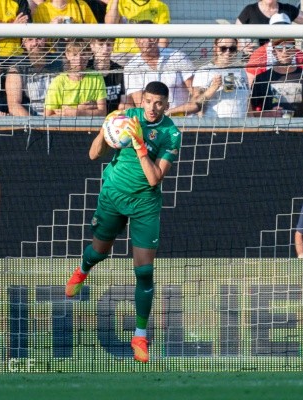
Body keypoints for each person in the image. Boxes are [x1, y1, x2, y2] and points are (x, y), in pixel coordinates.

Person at [65, 81, 181, 363]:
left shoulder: (171, 133)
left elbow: (155, 178)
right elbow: (94, 155)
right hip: (113, 195)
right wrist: (105, 130)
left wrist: (140, 143)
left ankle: (140, 335)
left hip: (145, 203)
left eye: (159, 103)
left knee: (144, 272)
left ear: (166, 105)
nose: (152, 108)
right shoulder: (127, 118)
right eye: (148, 101)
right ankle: (83, 269)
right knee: (99, 252)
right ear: (141, 100)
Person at [124, 30, 195, 116]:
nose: (147, 41)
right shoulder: (131, 66)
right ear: (136, 41)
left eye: (150, 36)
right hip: (152, 121)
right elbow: (140, 104)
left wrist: (173, 112)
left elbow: (195, 93)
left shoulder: (178, 56)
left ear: (157, 38)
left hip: (184, 119)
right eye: (142, 37)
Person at [249, 38, 303, 118]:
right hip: (271, 128)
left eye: (288, 47)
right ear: (274, 52)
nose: (285, 52)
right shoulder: (262, 79)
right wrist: (268, 114)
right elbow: (250, 112)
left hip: (300, 127)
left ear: (294, 51)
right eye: (280, 48)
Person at [44, 39, 107, 117]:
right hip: (63, 128)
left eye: (83, 54)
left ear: (89, 55)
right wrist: (73, 112)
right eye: (75, 54)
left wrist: (78, 112)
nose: (79, 59)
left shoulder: (96, 77)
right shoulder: (58, 82)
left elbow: (103, 113)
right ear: (67, 55)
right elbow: (47, 116)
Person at [244, 14, 303, 87]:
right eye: (277, 29)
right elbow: (252, 86)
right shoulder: (259, 55)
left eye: (285, 29)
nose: (281, 32)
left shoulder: (300, 55)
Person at [191, 38, 249, 118]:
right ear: (215, 48)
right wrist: (214, 87)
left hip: (241, 125)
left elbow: (247, 102)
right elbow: (195, 103)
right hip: (216, 124)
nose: (227, 52)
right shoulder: (205, 71)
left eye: (232, 49)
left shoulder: (241, 71)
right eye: (223, 48)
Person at [5, 37, 63, 116]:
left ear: (45, 40)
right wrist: (33, 125)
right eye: (30, 39)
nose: (35, 43)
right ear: (23, 43)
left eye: (39, 38)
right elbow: (14, 106)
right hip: (28, 119)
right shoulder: (17, 67)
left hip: (57, 117)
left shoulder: (59, 62)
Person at [104, 0, 170, 65]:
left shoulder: (160, 6)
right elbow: (110, 25)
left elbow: (163, 39)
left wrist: (157, 58)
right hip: (121, 55)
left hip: (147, 56)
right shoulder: (118, 2)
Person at [88, 37, 127, 113]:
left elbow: (124, 102)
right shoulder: (85, 71)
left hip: (114, 120)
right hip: (91, 119)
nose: (105, 49)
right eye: (101, 44)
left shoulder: (119, 71)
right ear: (92, 46)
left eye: (109, 44)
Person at [33, 0, 97, 24]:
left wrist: (75, 28)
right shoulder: (42, 8)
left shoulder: (82, 5)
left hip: (77, 51)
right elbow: (36, 41)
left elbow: (95, 35)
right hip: (51, 52)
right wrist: (50, 29)